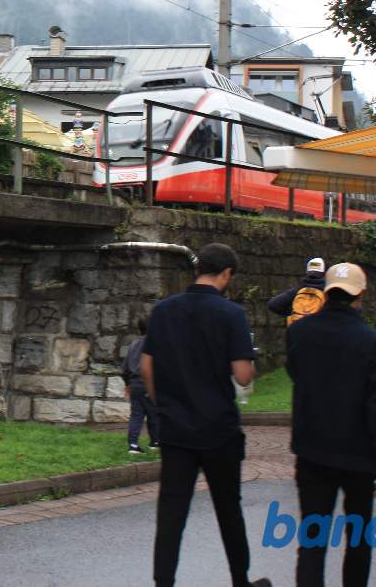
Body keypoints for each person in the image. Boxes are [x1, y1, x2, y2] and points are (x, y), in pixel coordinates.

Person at [140, 243, 272, 587]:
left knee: (171, 511)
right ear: (226, 274)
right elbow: (243, 374)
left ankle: (163, 582)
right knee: (229, 509)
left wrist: (163, 406)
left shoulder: (163, 311)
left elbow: (147, 366)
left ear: (198, 270)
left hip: (176, 428)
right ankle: (240, 580)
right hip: (218, 429)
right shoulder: (231, 314)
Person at [286, 262, 376, 587]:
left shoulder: (299, 332)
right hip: (358, 454)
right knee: (358, 538)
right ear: (360, 295)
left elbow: (296, 374)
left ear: (326, 291)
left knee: (312, 540)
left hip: (312, 449)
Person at [121, 318, 158, 454]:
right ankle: (155, 441)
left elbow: (125, 368)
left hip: (135, 383)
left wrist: (128, 384)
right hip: (149, 383)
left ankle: (133, 444)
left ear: (139, 329)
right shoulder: (155, 343)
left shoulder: (133, 345)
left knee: (136, 415)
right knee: (154, 413)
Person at [266, 257, 328, 324]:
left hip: (298, 327)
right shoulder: (327, 290)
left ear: (307, 272)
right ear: (325, 273)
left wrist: (293, 312)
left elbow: (272, 304)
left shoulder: (298, 289)